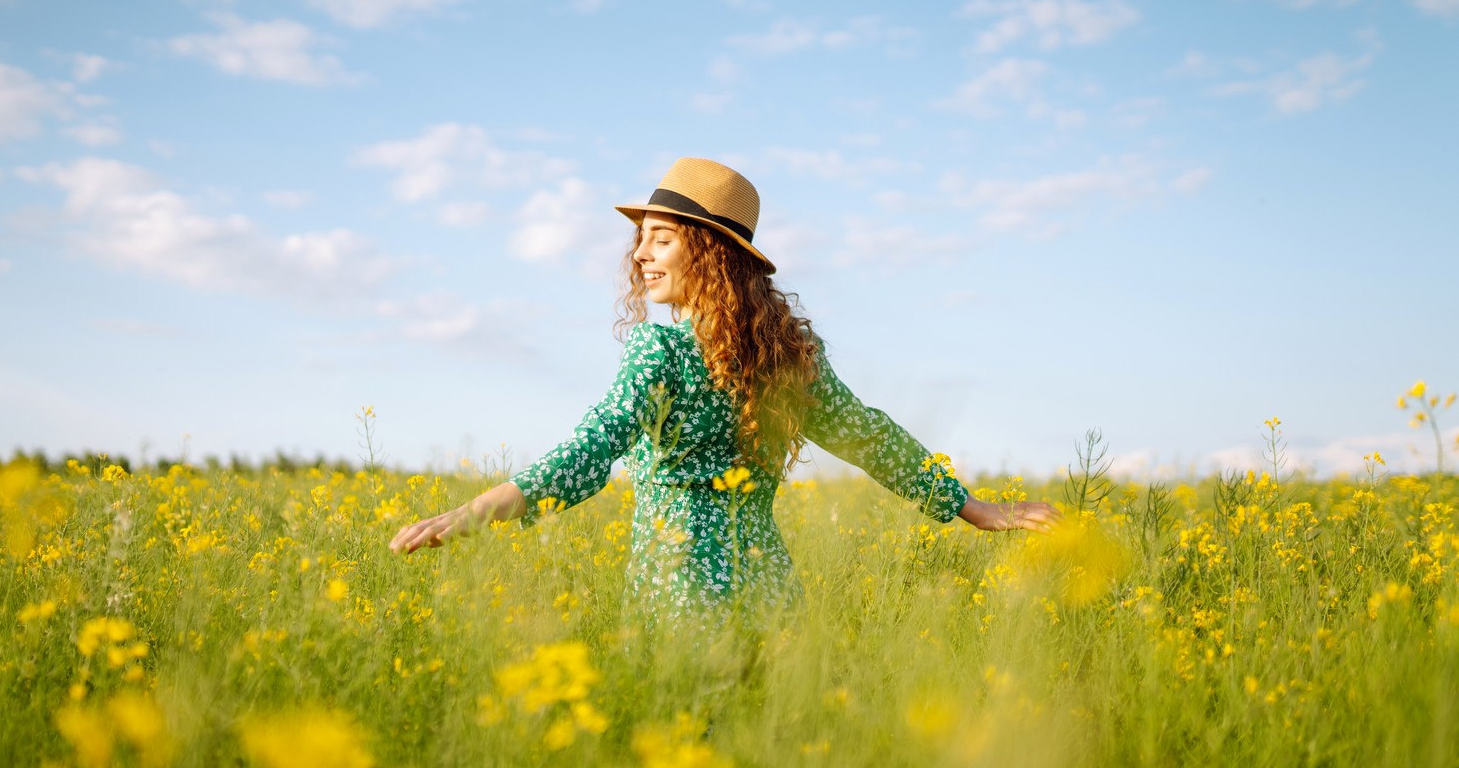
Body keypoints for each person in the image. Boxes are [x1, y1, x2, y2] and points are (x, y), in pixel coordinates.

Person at [389, 158, 1060, 631]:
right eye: (640, 240)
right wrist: (972, 508)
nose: (641, 256)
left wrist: (469, 515)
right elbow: (869, 436)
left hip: (681, 601)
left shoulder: (661, 352)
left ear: (707, 250)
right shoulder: (788, 358)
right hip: (771, 598)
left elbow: (586, 452)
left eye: (661, 238)